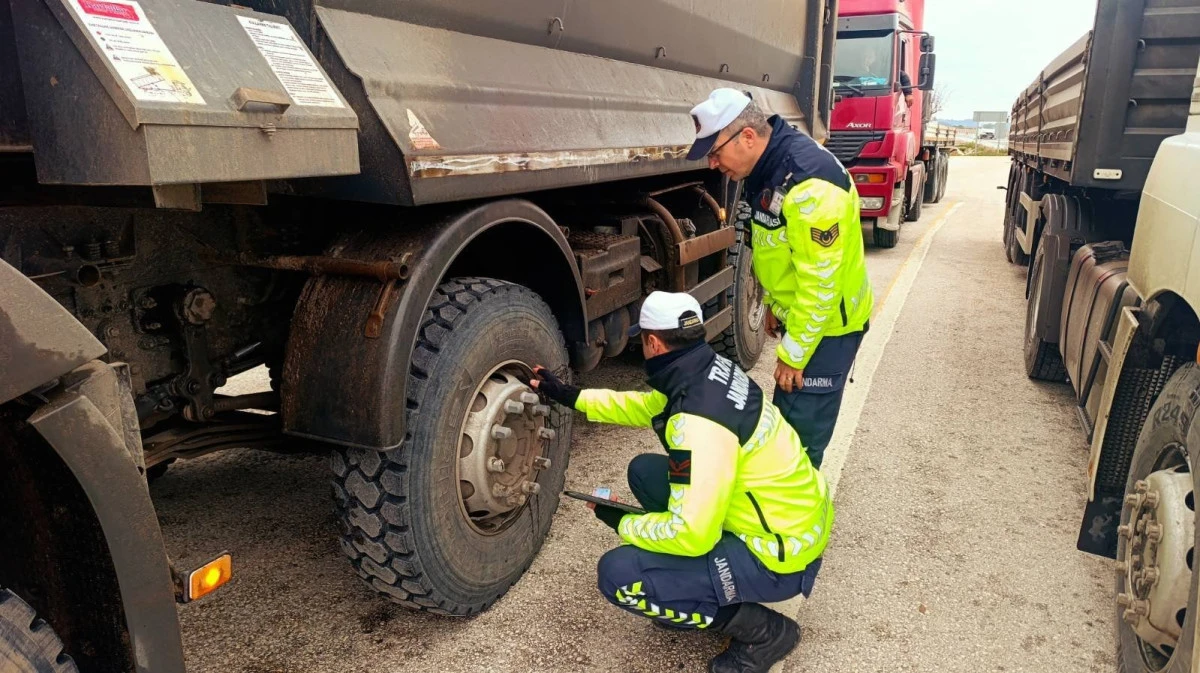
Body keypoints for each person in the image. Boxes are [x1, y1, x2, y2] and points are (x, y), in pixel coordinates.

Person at [531, 291, 831, 673]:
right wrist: (570, 396)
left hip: (780, 556)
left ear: (653, 342)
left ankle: (766, 633)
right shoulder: (709, 370)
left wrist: (621, 522)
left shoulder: (696, 424)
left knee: (619, 575)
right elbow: (643, 407)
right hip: (790, 516)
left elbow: (692, 534)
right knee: (644, 471)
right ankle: (691, 582)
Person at [686, 88, 874, 469]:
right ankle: (782, 517)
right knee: (787, 431)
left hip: (828, 332)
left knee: (800, 448)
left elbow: (821, 285)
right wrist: (774, 305)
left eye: (715, 151)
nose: (712, 163)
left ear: (748, 137)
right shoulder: (770, 166)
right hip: (807, 323)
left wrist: (793, 355)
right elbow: (779, 249)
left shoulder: (810, 187)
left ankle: (798, 524)